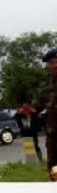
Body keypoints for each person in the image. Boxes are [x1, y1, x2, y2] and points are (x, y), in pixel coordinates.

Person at [41, 48, 57, 180]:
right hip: (53, 139)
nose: (49, 66)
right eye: (48, 64)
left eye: (52, 62)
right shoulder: (52, 83)